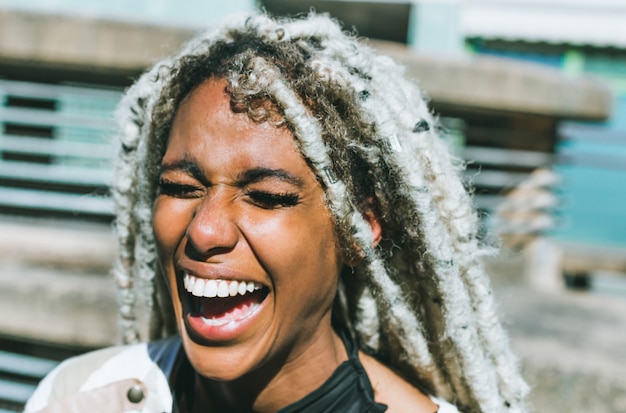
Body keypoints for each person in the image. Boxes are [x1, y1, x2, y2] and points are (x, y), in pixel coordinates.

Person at [24, 12, 529, 413]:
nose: (205, 229)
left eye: (266, 196)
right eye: (180, 186)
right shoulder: (76, 397)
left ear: (360, 228)